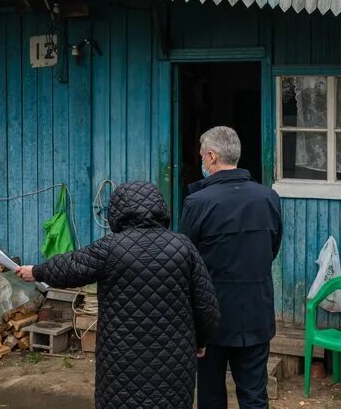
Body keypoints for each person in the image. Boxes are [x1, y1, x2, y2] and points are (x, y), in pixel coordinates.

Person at [15, 181, 220, 409]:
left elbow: (71, 266)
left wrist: (36, 271)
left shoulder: (110, 247)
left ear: (118, 211)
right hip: (173, 361)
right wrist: (201, 341)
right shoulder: (184, 246)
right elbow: (206, 306)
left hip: (121, 361)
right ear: (161, 208)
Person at [181, 126, 283, 409]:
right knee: (254, 395)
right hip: (257, 312)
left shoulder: (197, 202)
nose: (201, 161)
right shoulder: (268, 198)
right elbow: (272, 249)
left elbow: (186, 261)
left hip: (211, 316)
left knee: (211, 396)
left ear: (211, 157)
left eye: (202, 156)